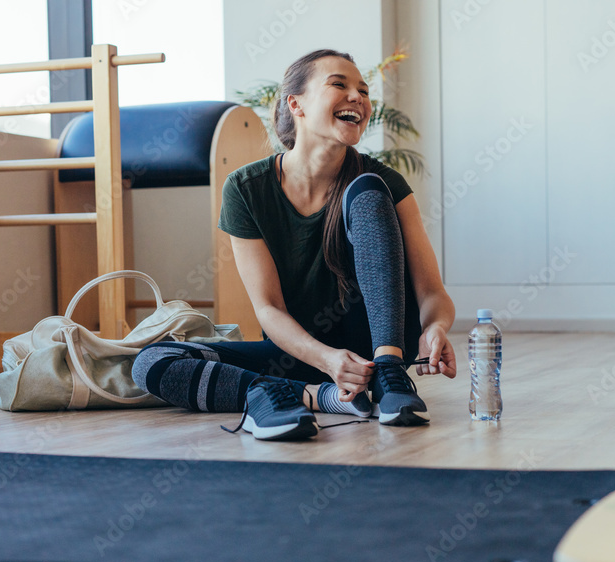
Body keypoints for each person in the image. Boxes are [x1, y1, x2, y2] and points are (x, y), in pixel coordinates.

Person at [132, 48, 457, 441]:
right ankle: (307, 396)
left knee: (369, 190)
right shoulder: (245, 188)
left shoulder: (382, 180)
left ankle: (387, 376)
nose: (358, 97)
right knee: (151, 361)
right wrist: (326, 360)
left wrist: (435, 327)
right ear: (295, 103)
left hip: (376, 351)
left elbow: (432, 293)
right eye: (339, 84)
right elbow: (267, 308)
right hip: (303, 355)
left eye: (364, 91)